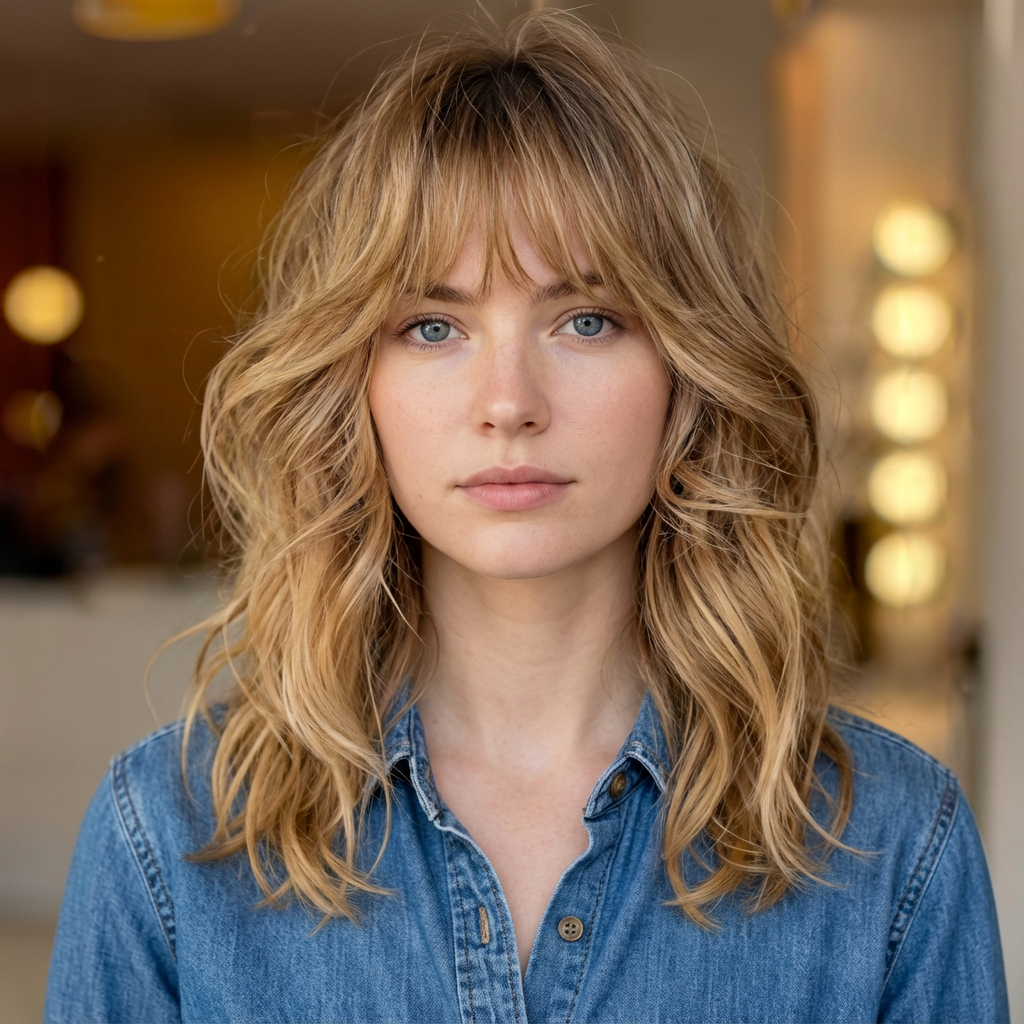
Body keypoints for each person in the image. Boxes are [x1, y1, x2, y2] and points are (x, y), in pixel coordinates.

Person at [44, 12, 1007, 1023]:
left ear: (687, 374)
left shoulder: (892, 844)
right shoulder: (167, 839)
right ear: (352, 383)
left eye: (586, 320)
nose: (508, 402)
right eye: (432, 326)